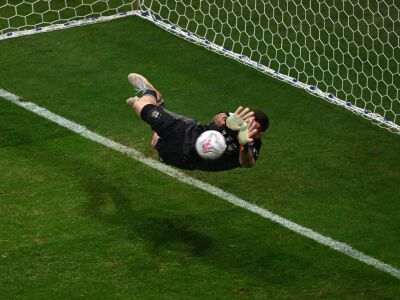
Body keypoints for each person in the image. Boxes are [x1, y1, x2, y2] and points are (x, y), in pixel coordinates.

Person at [126, 73, 269, 172]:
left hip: (184, 158)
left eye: (253, 127)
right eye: (247, 122)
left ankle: (158, 105)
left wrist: (243, 144)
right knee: (140, 107)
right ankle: (151, 93)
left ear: (260, 133)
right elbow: (216, 118)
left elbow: (247, 163)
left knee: (155, 141)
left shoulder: (253, 147)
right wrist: (225, 121)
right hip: (187, 131)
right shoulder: (237, 121)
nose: (247, 127)